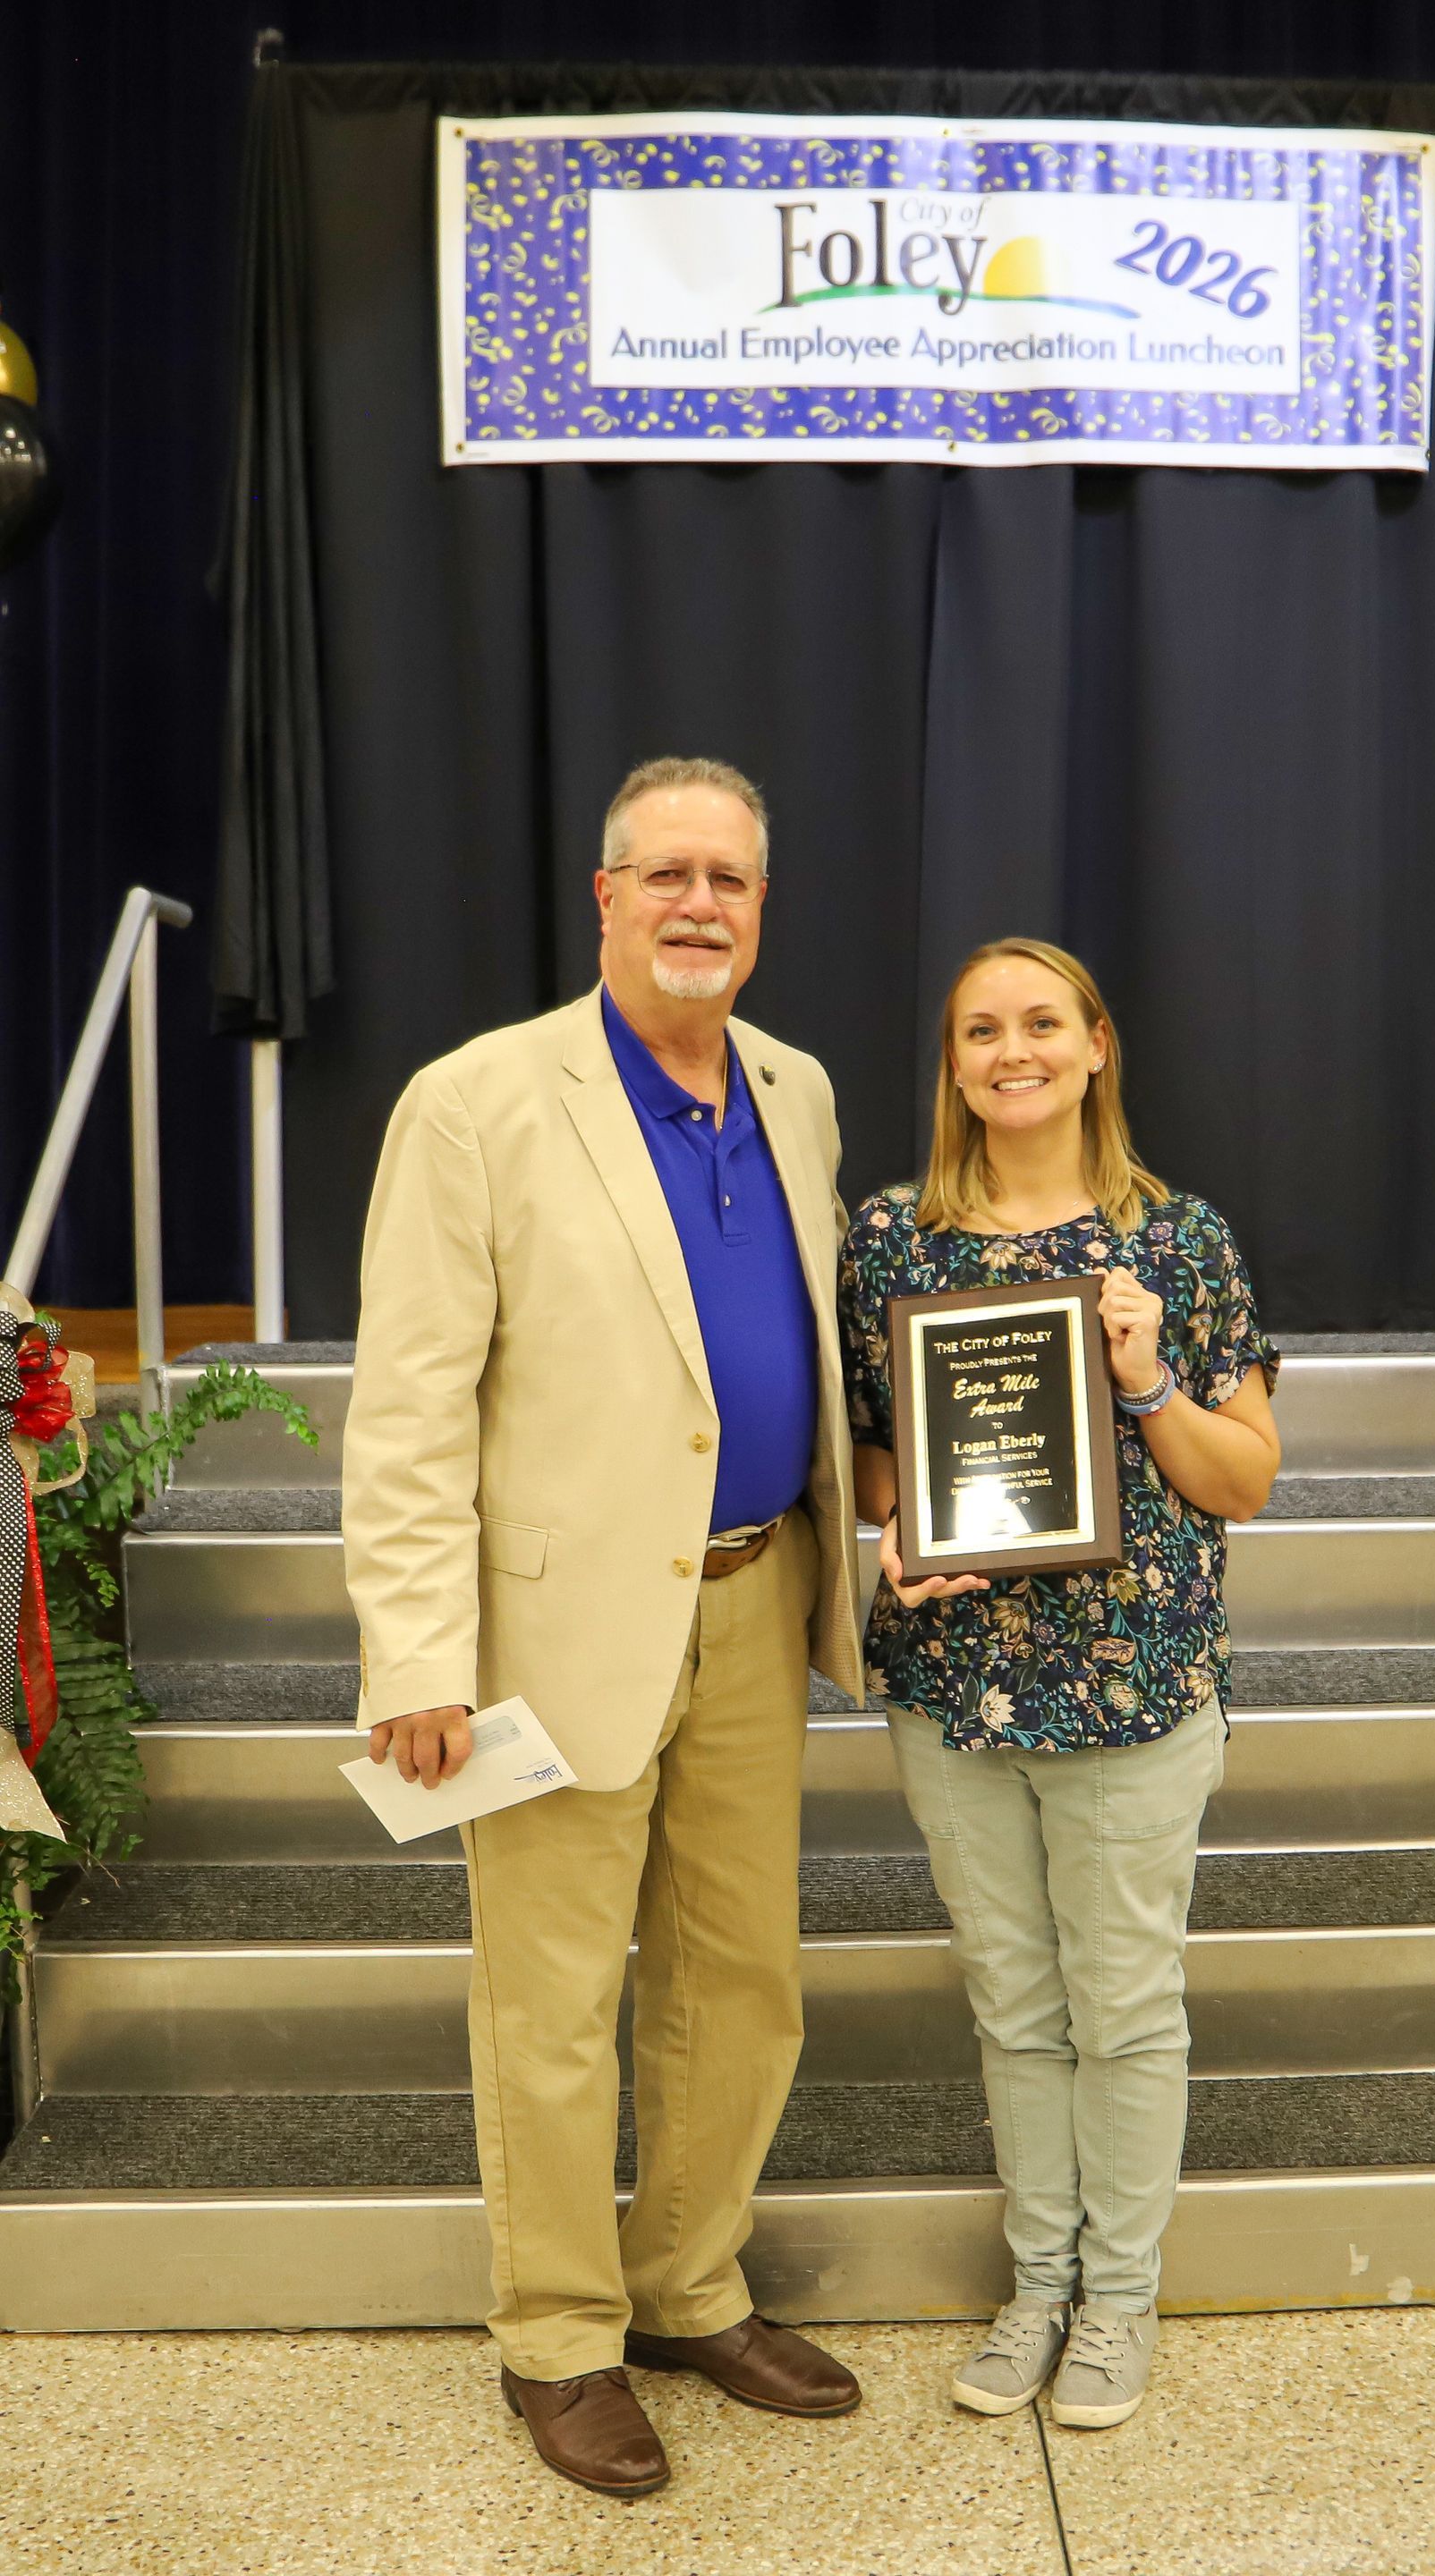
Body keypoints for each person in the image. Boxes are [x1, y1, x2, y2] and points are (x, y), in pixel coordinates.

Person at [344, 757, 865, 2501]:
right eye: (668, 876)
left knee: (742, 1986)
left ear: (762, 907)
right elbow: (409, 1410)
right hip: (550, 1640)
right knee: (553, 2007)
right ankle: (560, 2337)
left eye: (730, 877)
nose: (701, 903)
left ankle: (686, 2284)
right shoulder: (479, 1102)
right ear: (605, 897)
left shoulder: (796, 1090)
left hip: (755, 1600)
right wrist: (417, 1658)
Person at [837, 937, 1279, 2431]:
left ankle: (1121, 2304)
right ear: (952, 1062)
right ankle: (1039, 2287)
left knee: (1128, 2009)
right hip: (955, 1688)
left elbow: (1248, 1483)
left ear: (1097, 1046)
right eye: (979, 1029)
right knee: (1015, 2005)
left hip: (1136, 1690)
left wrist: (1149, 1382)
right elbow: (882, 1461)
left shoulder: (1184, 1241)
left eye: (1040, 1023)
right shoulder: (891, 1242)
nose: (1009, 1050)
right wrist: (894, 1537)